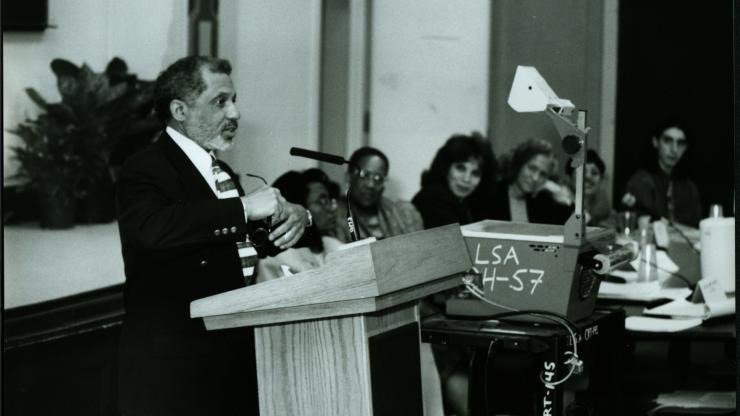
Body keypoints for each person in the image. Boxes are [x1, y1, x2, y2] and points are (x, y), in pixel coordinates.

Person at [115, 56, 310, 415]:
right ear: (180, 109)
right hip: (172, 375)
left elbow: (237, 244)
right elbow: (152, 230)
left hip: (226, 361)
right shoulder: (145, 167)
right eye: (220, 102)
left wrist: (299, 215)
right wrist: (245, 209)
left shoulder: (219, 171)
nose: (235, 113)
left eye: (234, 100)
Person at [257, 168, 344, 280]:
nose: (332, 208)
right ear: (297, 209)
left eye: (329, 200)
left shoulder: (336, 246)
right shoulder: (278, 260)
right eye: (321, 202)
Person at [330, 146, 423, 242]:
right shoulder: (332, 216)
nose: (371, 184)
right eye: (364, 175)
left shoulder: (403, 213)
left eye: (378, 178)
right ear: (349, 177)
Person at [621, 119, 701, 227]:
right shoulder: (640, 182)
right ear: (655, 142)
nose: (674, 149)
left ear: (686, 148)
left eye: (680, 143)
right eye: (668, 141)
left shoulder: (690, 187)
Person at [412, 132, 497, 229]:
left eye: (475, 173)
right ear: (446, 168)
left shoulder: (466, 203)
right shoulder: (432, 199)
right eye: (460, 168)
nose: (466, 179)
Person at [490, 137, 572, 224]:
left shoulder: (543, 203)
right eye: (532, 168)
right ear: (519, 164)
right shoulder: (492, 194)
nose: (535, 178)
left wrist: (564, 199)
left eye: (542, 174)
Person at [563, 148, 614, 227]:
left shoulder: (603, 206)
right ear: (568, 177)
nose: (588, 177)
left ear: (601, 180)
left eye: (594, 173)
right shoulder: (560, 205)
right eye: (582, 172)